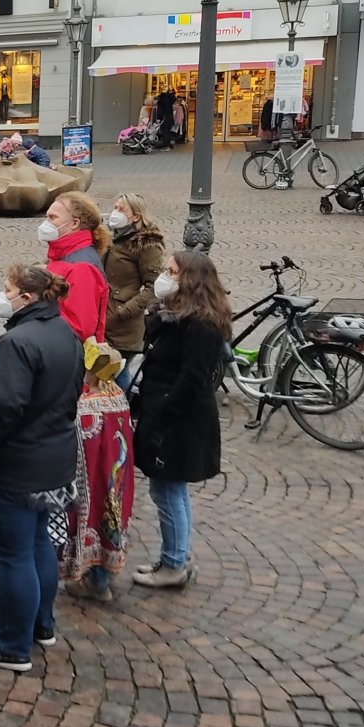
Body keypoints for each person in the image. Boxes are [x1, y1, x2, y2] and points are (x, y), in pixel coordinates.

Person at [0, 265, 84, 672]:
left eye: (8, 289)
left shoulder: (17, 342)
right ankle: (41, 625)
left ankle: (12, 644)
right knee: (39, 543)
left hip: (14, 465)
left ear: (27, 298)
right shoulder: (65, 332)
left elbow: (0, 407)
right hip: (52, 459)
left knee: (13, 555)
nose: (2, 295)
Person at [131, 251, 230, 590]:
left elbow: (192, 379)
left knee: (167, 491)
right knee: (171, 491)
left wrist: (163, 413)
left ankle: (174, 562)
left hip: (178, 422)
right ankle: (178, 554)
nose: (165, 275)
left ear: (190, 280)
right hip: (168, 414)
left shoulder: (200, 324)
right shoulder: (175, 316)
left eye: (172, 272)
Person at [62, 340, 136, 603]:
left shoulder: (87, 406)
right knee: (113, 520)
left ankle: (96, 582)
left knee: (94, 519)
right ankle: (104, 574)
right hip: (115, 477)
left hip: (94, 479)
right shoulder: (119, 397)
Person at [102, 193, 165, 389]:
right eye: (115, 207)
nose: (115, 213)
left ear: (136, 216)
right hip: (106, 318)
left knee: (115, 373)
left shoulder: (147, 244)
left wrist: (125, 310)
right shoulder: (114, 238)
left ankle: (124, 414)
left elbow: (154, 286)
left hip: (124, 324)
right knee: (108, 372)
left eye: (122, 209)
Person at [40, 191, 110, 342]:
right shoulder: (60, 255)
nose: (46, 223)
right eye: (47, 217)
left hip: (65, 353)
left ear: (74, 223)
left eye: (53, 217)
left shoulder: (82, 268)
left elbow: (79, 327)